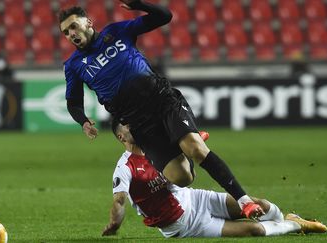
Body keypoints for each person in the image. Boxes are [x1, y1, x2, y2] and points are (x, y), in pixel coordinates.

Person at [59, 0, 263, 218]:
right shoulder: (73, 65)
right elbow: (73, 102)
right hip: (137, 122)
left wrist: (139, 4)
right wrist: (84, 121)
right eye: (65, 32)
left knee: (196, 149)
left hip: (161, 99)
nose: (71, 34)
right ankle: (182, 139)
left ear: (88, 22)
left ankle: (245, 201)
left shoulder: (116, 32)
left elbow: (164, 16)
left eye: (73, 26)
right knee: (183, 177)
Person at [102, 122, 327, 238]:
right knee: (255, 231)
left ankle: (286, 218)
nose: (134, 126)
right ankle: (294, 226)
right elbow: (119, 201)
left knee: (263, 206)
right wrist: (114, 223)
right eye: (128, 125)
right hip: (183, 224)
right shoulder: (125, 167)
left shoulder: (158, 149)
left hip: (195, 198)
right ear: (121, 136)